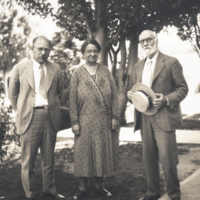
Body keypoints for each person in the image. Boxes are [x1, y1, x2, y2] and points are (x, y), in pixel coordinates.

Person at [127, 30, 188, 200]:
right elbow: (137, 90)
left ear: (156, 40)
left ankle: (174, 195)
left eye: (149, 39)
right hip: (144, 118)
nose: (146, 43)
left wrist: (166, 100)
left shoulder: (171, 62)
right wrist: (131, 97)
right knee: (149, 159)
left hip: (164, 118)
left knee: (169, 161)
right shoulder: (138, 66)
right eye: (142, 41)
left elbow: (183, 89)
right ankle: (152, 193)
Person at [9, 36, 65, 200]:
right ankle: (31, 193)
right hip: (29, 117)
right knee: (28, 160)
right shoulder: (20, 68)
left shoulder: (56, 68)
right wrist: (22, 110)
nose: (43, 52)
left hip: (50, 116)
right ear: (32, 49)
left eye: (46, 49)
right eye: (39, 49)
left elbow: (59, 92)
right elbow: (13, 94)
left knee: (49, 159)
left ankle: (49, 190)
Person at [70, 39, 120, 200]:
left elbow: (114, 95)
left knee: (100, 152)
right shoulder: (77, 73)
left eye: (95, 51)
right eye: (88, 51)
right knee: (82, 153)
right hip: (83, 121)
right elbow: (72, 100)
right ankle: (82, 188)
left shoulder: (105, 71)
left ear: (98, 53)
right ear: (83, 54)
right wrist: (74, 121)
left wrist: (115, 117)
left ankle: (99, 187)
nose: (92, 54)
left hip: (103, 121)